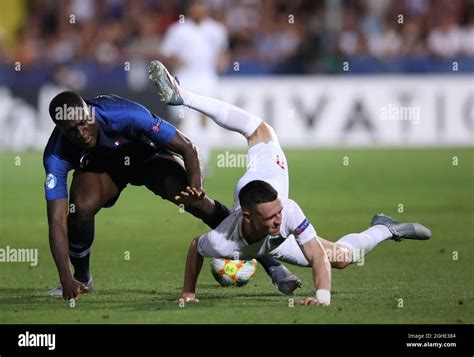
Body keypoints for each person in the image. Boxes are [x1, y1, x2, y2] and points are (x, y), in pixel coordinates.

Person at [148, 60, 432, 306]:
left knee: (258, 129)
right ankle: (281, 265)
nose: (278, 217)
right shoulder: (223, 243)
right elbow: (196, 246)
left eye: (278, 214)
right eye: (273, 216)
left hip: (267, 175)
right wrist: (188, 293)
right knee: (343, 258)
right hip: (260, 233)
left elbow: (317, 256)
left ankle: (183, 95)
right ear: (249, 217)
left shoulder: (286, 211)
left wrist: (321, 298)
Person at [44, 91, 300, 301]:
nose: (82, 132)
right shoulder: (55, 154)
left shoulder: (124, 114)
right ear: (60, 130)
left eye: (84, 122)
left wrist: (196, 188)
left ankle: (272, 264)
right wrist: (65, 277)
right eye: (71, 131)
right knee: (80, 208)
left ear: (89, 111)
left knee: (199, 204)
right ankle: (81, 278)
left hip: (148, 158)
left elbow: (187, 147)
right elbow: (56, 222)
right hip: (103, 171)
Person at [160, 0, 229, 171]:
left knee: (204, 118)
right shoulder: (178, 30)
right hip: (184, 79)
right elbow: (165, 54)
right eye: (196, 5)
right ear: (190, 9)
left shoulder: (217, 30)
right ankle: (179, 158)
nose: (199, 9)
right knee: (181, 119)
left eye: (202, 5)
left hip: (207, 79)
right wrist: (176, 61)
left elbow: (222, 53)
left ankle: (202, 160)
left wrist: (223, 61)